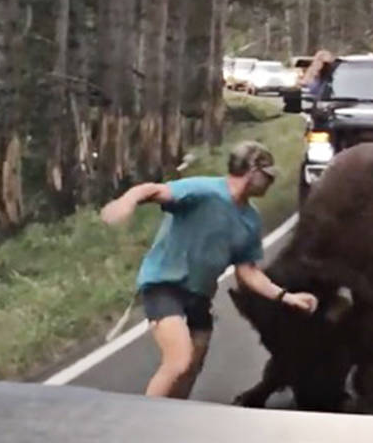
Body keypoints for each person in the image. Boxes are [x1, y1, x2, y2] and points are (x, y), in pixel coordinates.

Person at [100, 141, 318, 399]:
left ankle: (175, 415)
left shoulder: (250, 220)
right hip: (164, 286)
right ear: (252, 171)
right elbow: (154, 190)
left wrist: (287, 297)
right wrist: (127, 202)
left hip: (199, 295)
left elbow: (247, 272)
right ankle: (146, 417)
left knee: (192, 365)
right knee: (179, 360)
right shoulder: (204, 191)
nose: (270, 183)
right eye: (267, 176)